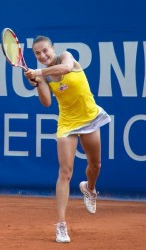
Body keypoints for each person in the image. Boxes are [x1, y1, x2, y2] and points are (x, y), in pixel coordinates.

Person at [24, 36, 111, 243]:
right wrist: (37, 82)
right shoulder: (43, 76)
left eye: (45, 50)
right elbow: (46, 103)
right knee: (65, 172)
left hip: (90, 118)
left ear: (53, 49)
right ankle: (61, 226)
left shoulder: (66, 56)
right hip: (67, 124)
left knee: (95, 164)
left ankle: (89, 189)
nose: (43, 55)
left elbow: (65, 69)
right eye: (38, 53)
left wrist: (39, 72)